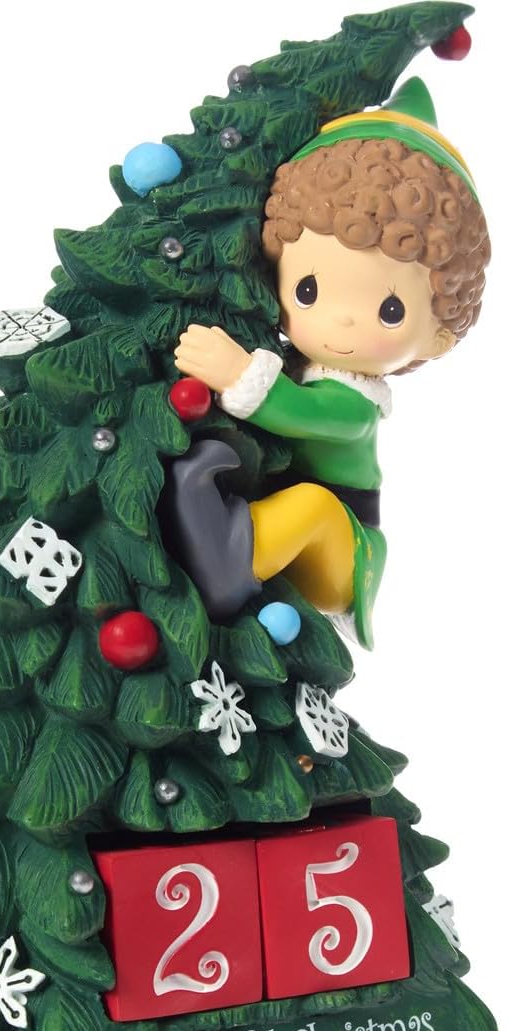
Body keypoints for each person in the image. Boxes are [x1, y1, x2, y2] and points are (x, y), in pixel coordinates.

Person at [169, 78, 489, 647]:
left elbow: (304, 413)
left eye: (389, 310)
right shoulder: (294, 358)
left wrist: (238, 375)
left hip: (344, 550)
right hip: (282, 516)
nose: (341, 321)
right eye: (309, 290)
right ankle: (220, 527)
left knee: (312, 505)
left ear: (437, 337)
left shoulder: (355, 406)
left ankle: (226, 561)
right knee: (296, 504)